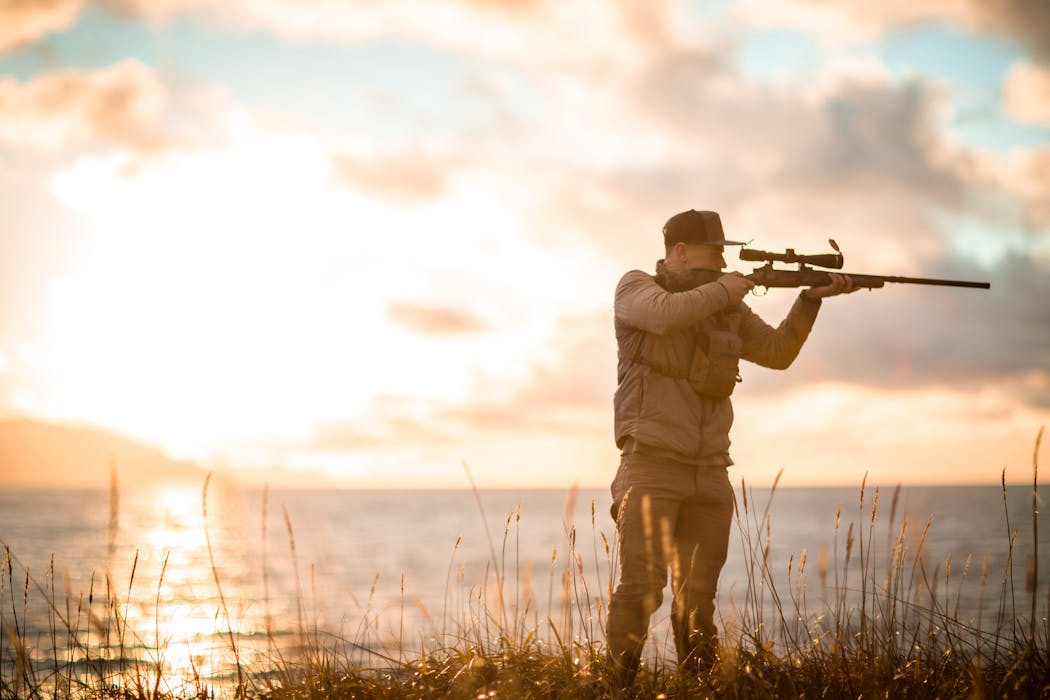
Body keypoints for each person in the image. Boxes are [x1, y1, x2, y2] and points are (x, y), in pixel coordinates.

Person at [606, 209, 857, 686]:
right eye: (713, 251)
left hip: (711, 471)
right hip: (652, 464)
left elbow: (778, 353)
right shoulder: (635, 288)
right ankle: (616, 690)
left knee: (698, 596)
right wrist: (726, 288)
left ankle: (698, 688)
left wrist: (809, 299)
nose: (722, 261)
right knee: (641, 589)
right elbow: (663, 316)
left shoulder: (728, 308)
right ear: (679, 252)